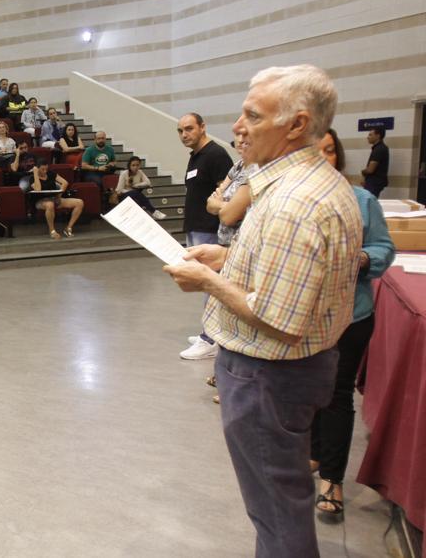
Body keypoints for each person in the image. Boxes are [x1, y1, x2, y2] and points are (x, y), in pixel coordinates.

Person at [163, 65, 362, 558]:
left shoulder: (294, 201)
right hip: (289, 372)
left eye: (253, 115)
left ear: (295, 125)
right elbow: (290, 269)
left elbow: (278, 318)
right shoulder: (310, 184)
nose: (238, 126)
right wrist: (227, 258)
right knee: (279, 500)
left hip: (268, 375)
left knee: (276, 509)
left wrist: (207, 280)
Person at [305, 128, 395, 522]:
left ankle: (332, 479)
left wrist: (360, 259)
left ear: (337, 155)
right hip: (303, 317)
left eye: (328, 151)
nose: (322, 158)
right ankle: (312, 452)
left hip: (350, 315)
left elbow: (383, 247)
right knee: (307, 391)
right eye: (314, 152)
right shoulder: (293, 202)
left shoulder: (361, 200)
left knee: (335, 395)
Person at [176, 112, 235, 360]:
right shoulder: (196, 156)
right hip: (196, 226)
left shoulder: (216, 155)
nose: (184, 135)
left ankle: (211, 339)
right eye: (180, 131)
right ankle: (208, 330)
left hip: (210, 230)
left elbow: (227, 193)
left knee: (211, 284)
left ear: (202, 127)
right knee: (204, 285)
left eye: (189, 129)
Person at [360, 127, 388, 197]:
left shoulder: (379, 149)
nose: (368, 137)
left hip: (374, 183)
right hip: (375, 182)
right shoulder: (380, 148)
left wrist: (362, 172)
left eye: (370, 135)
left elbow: (370, 170)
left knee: (368, 203)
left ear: (378, 136)